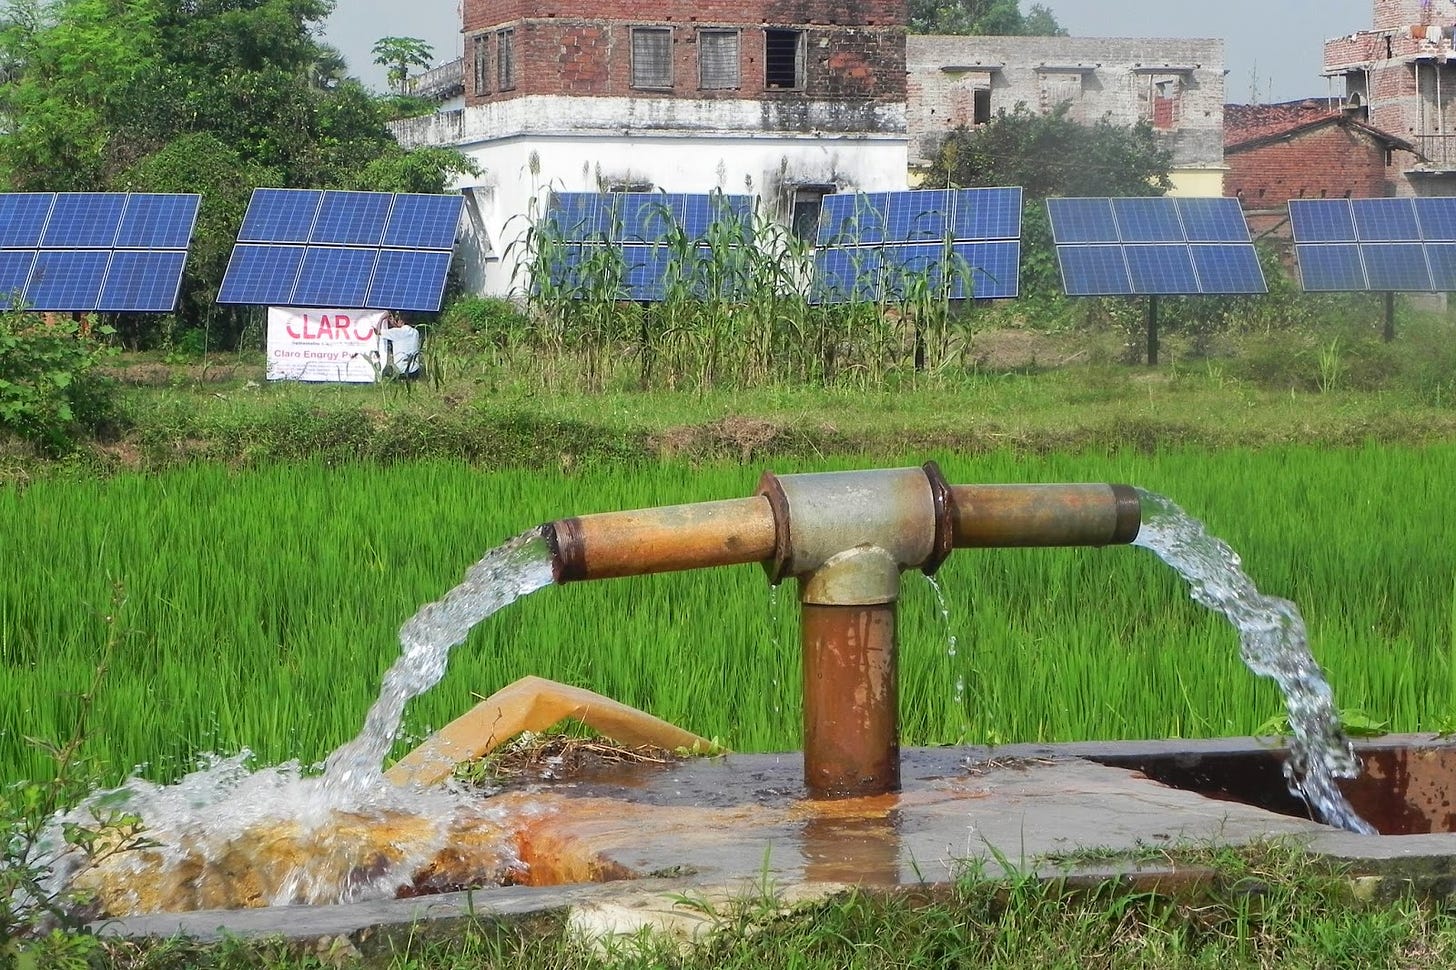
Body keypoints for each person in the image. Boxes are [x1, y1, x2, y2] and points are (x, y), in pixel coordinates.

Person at [378, 312, 423, 380]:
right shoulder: (416, 332)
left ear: (401, 321)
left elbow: (378, 332)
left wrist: (381, 319)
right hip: (414, 371)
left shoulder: (396, 332)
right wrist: (395, 325)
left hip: (401, 372)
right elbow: (402, 334)